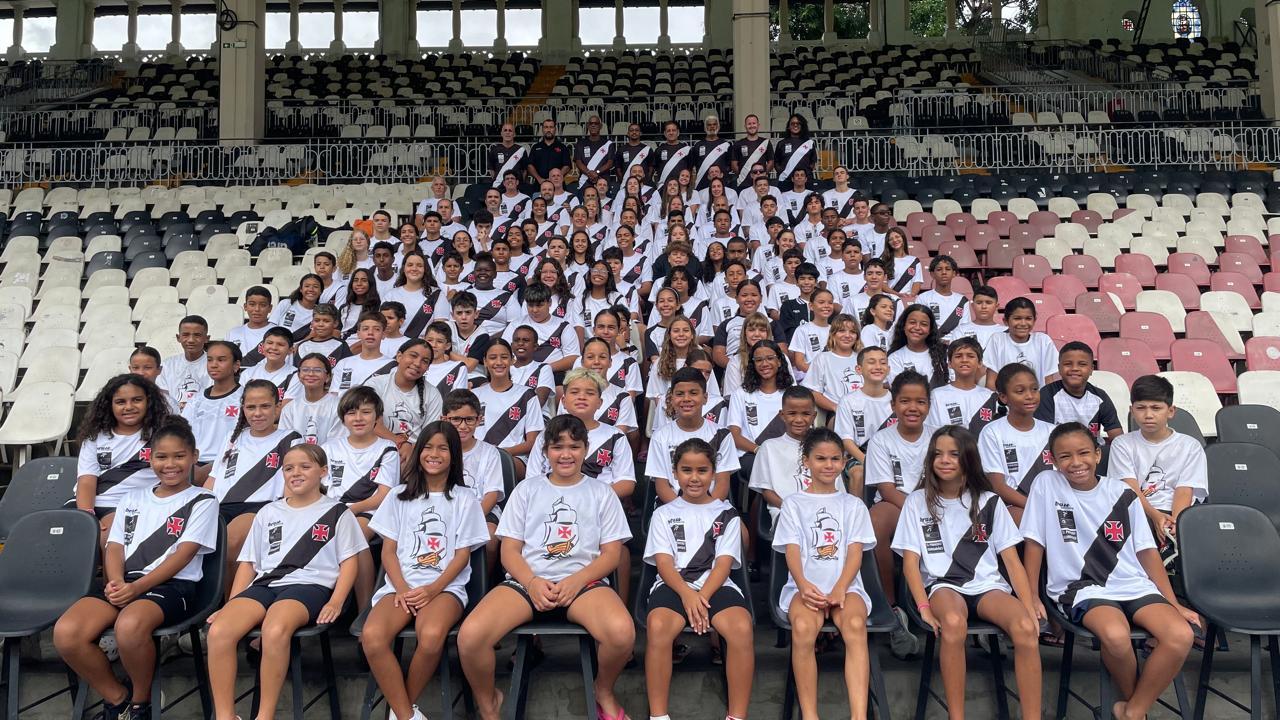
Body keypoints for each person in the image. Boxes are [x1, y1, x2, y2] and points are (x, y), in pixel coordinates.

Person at [457, 415, 634, 720]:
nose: (566, 454)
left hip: (584, 584)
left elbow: (611, 555)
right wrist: (532, 582)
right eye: (557, 447)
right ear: (545, 451)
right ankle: (489, 705)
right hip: (527, 582)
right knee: (471, 637)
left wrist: (577, 581)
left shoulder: (601, 492)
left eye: (574, 447)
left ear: (585, 449)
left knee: (622, 634)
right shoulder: (527, 490)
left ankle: (603, 689)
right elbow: (509, 550)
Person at [1022, 423, 1199, 720]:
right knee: (1116, 636)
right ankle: (1135, 711)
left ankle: (1131, 711)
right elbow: (1034, 543)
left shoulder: (1122, 493)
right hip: (1080, 587)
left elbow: (1146, 552)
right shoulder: (1046, 484)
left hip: (1132, 583)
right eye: (1065, 456)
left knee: (1180, 635)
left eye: (1083, 453)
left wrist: (1173, 603)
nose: (1076, 462)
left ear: (1098, 454)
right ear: (1052, 459)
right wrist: (1031, 597)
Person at [55, 417, 218, 720]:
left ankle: (142, 703)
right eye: (162, 457)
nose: (170, 464)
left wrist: (137, 588)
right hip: (126, 583)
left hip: (172, 586)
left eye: (179, 456)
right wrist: (117, 581)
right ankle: (120, 701)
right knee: (67, 633)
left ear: (194, 457)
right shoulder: (132, 498)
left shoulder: (203, 500)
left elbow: (184, 555)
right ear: (150, 458)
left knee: (129, 626)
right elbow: (114, 546)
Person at [893, 426, 1042, 720]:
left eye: (954, 454)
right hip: (943, 587)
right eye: (938, 454)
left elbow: (1012, 562)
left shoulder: (989, 501)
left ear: (968, 458)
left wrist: (1028, 606)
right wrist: (923, 607)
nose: (944, 460)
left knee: (1026, 628)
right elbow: (910, 563)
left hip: (988, 587)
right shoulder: (916, 501)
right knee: (952, 622)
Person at [207, 444, 366, 720]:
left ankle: (264, 716)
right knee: (219, 631)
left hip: (310, 586)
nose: (296, 473)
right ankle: (225, 716)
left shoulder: (338, 512)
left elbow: (350, 562)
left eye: (305, 466)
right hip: (266, 585)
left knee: (275, 629)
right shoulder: (268, 512)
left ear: (323, 471)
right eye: (289, 468)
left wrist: (336, 601)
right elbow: (249, 564)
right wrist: (231, 604)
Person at [361, 421, 490, 720]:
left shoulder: (465, 498)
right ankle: (407, 716)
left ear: (454, 456)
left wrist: (433, 589)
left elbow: (462, 556)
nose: (434, 454)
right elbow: (388, 551)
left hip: (444, 588)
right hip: (400, 586)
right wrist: (402, 588)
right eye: (428, 447)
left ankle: (400, 712)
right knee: (373, 636)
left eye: (443, 448)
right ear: (418, 452)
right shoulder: (398, 495)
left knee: (431, 636)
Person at [643, 438, 753, 720]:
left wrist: (701, 597)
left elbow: (724, 564)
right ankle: (658, 715)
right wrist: (688, 595)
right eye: (686, 470)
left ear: (713, 473)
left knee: (741, 628)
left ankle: (737, 715)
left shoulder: (727, 513)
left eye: (702, 470)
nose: (694, 478)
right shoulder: (662, 514)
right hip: (673, 585)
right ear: (674, 473)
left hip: (716, 586)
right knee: (658, 626)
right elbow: (664, 564)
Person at [774, 427, 876, 720]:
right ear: (806, 461)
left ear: (843, 462)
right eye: (820, 458)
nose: (828, 465)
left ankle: (859, 716)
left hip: (847, 587)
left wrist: (841, 587)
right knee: (804, 629)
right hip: (805, 588)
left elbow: (855, 552)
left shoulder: (853, 505)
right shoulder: (793, 503)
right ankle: (810, 715)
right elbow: (792, 551)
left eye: (834, 459)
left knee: (855, 625)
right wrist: (804, 585)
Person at [205, 379, 301, 592]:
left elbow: (293, 484)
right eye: (251, 407)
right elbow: (213, 478)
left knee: (229, 542)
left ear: (278, 407)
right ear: (243, 408)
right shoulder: (233, 437)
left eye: (265, 406)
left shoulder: (290, 438)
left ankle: (227, 603)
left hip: (260, 507)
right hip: (220, 506)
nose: (257, 413)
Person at [866, 370, 933, 658]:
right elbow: (887, 488)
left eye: (920, 401)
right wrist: (915, 512)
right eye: (905, 401)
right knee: (875, 522)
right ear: (893, 404)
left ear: (929, 405)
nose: (912, 408)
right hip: (895, 504)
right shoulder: (882, 440)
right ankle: (893, 610)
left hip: (935, 503)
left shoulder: (939, 438)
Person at [1107, 374, 1208, 554]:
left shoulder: (1190, 446)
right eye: (1141, 408)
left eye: (1156, 408)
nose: (1148, 415)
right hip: (1138, 509)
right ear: (1132, 410)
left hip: (1176, 511)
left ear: (1171, 411)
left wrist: (1176, 522)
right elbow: (1130, 489)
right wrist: (1155, 516)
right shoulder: (1122, 444)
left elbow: (1184, 490)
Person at [323, 386, 401, 609]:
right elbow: (320, 488)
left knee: (354, 537)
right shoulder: (329, 448)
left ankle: (364, 608)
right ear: (343, 418)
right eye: (351, 413)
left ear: (377, 417)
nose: (358, 418)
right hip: (331, 510)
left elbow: (383, 495)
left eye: (366, 412)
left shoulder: (387, 449)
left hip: (368, 513)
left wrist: (350, 509)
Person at [74, 374, 172, 543]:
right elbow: (86, 481)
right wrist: (88, 516)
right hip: (89, 504)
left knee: (107, 538)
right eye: (120, 402)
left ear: (148, 401)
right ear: (109, 405)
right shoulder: (94, 437)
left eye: (137, 400)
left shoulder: (163, 435)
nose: (129, 407)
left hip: (129, 505)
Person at [647, 367, 740, 505]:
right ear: (671, 398)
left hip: (712, 506)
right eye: (680, 394)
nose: (686, 399)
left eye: (693, 393)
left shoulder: (722, 435)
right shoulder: (660, 436)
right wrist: (684, 510)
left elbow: (722, 484)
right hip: (672, 507)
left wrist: (705, 510)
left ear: (705, 398)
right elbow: (662, 486)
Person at [979, 363, 1056, 524]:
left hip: (1051, 503)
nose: (1030, 396)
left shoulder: (1052, 431)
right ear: (1003, 397)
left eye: (1034, 389)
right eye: (1020, 391)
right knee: (1024, 519)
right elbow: (998, 485)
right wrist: (1035, 507)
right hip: (1011, 505)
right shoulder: (992, 432)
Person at [749, 386, 838, 524]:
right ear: (782, 415)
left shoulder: (825, 449)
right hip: (786, 514)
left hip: (825, 514)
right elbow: (766, 491)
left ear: (814, 416)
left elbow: (836, 489)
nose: (799, 419)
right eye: (792, 413)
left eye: (805, 414)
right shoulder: (769, 447)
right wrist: (791, 508)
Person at [365, 338, 444, 464]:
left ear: (428, 368)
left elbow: (430, 436)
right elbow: (372, 424)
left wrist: (410, 449)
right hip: (376, 450)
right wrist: (400, 442)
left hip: (414, 454)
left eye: (425, 361)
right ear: (399, 356)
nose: (417, 363)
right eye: (413, 356)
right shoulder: (375, 384)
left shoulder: (432, 394)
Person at [472, 339, 544, 479]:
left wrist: (500, 453)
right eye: (493, 357)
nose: (499, 362)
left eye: (504, 357)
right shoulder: (474, 395)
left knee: (499, 464)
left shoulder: (527, 395)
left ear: (512, 360)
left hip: (513, 458)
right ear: (485, 361)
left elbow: (532, 442)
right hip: (477, 456)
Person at [728, 339, 795, 479]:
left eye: (770, 358)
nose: (764, 364)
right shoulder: (740, 394)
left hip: (787, 452)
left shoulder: (792, 393)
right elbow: (734, 435)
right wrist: (759, 450)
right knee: (767, 470)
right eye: (758, 360)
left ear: (779, 361)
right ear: (753, 364)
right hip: (751, 454)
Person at [1035, 341, 1124, 444]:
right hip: (1060, 450)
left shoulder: (1100, 397)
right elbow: (1043, 437)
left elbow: (1117, 437)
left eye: (1082, 364)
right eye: (1068, 364)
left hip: (1093, 451)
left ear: (1091, 369)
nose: (1075, 368)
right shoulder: (1047, 394)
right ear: (1059, 368)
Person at [834, 346, 893, 497]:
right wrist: (868, 461)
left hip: (892, 456)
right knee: (858, 473)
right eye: (871, 362)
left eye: (883, 362)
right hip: (859, 456)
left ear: (888, 369)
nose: (878, 367)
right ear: (858, 369)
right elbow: (846, 440)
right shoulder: (848, 401)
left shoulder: (896, 400)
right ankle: (857, 511)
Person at [181, 342, 243, 473]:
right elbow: (182, 433)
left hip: (229, 462)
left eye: (221, 360)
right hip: (194, 463)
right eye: (210, 360)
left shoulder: (245, 398)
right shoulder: (196, 400)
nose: (214, 365)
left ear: (236, 365)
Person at [927, 337, 1002, 434]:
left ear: (980, 363)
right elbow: (932, 432)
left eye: (970, 356)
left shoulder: (990, 397)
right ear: (949, 363)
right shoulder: (936, 395)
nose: (964, 360)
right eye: (958, 356)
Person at [983, 297, 1060, 388]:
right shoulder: (997, 340)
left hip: (1038, 396)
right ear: (1005, 321)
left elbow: (1048, 380)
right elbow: (991, 381)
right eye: (1017, 318)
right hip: (1004, 397)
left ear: (1034, 320)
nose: (1023, 323)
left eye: (1028, 318)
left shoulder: (1043, 341)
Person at [801, 311, 863, 413]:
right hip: (835, 412)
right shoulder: (822, 358)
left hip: (864, 410)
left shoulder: (862, 359)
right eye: (842, 331)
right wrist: (836, 408)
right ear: (833, 334)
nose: (847, 335)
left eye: (852, 332)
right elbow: (813, 392)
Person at [279, 353, 343, 446]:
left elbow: (337, 442)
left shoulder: (339, 406)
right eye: (305, 370)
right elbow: (285, 441)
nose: (311, 374)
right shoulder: (290, 408)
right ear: (299, 375)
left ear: (327, 377)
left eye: (317, 370)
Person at [888, 304, 950, 388]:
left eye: (924, 324)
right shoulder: (895, 358)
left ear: (930, 329)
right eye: (912, 322)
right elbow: (899, 390)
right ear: (904, 326)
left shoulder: (944, 353)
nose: (917, 327)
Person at [331, 312, 392, 395]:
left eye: (376, 329)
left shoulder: (392, 367)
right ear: (358, 334)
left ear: (383, 334)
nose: (370, 332)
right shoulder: (344, 363)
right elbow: (334, 395)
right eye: (365, 329)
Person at [158, 315, 211, 409]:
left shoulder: (214, 364)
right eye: (186, 335)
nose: (191, 340)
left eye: (197, 335)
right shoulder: (167, 365)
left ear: (207, 338)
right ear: (178, 337)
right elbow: (163, 397)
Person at [917, 255, 971, 340]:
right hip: (931, 343)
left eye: (948, 269)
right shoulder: (923, 298)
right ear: (932, 274)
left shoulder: (962, 301)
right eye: (939, 269)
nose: (944, 272)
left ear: (954, 273)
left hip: (956, 345)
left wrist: (953, 343)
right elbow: (919, 325)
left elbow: (965, 328)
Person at [227, 287, 274, 368]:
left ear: (270, 308)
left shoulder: (278, 333)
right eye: (252, 304)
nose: (257, 309)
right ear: (245, 306)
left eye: (263, 305)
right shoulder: (233, 333)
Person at [239, 326, 295, 394]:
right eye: (270, 343)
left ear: (290, 350)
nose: (274, 348)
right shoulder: (248, 374)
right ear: (262, 347)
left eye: (280, 344)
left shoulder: (296, 375)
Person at [271, 274, 323, 344]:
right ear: (301, 289)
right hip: (278, 345)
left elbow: (313, 336)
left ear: (321, 291)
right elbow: (272, 325)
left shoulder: (320, 313)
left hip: (301, 348)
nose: (311, 289)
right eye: (307, 286)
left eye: (315, 287)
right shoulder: (287, 303)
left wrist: (297, 346)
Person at [129, 346, 181, 414]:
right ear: (130, 369)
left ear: (159, 370)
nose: (141, 373)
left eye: (147, 367)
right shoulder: (121, 397)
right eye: (136, 368)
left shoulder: (168, 403)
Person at [951, 284, 1004, 348]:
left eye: (988, 303)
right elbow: (953, 353)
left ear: (996, 306)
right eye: (979, 303)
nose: (984, 306)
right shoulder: (961, 330)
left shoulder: (1004, 332)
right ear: (973, 306)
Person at [729, 113, 772, 190]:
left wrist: (762, 174)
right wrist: (743, 174)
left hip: (761, 183)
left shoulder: (766, 142)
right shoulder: (738, 144)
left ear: (758, 125)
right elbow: (734, 165)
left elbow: (771, 162)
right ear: (745, 126)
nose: (752, 126)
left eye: (754, 123)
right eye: (749, 124)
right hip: (743, 183)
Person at [880, 227, 923, 299]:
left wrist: (911, 296)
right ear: (888, 243)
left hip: (908, 298)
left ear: (903, 238)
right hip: (889, 299)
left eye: (897, 237)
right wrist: (898, 295)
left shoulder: (914, 261)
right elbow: (882, 285)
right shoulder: (883, 260)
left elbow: (917, 282)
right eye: (891, 239)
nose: (895, 240)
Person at [339, 268, 382, 338]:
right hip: (342, 342)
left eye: (364, 280)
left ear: (370, 283)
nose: (359, 284)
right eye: (355, 280)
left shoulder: (377, 307)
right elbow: (337, 330)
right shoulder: (344, 307)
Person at [774, 114, 816, 187]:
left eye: (798, 123)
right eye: (793, 123)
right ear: (788, 126)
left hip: (805, 182)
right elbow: (776, 162)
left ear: (802, 126)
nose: (795, 125)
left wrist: (804, 174)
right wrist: (783, 172)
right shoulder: (781, 143)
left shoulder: (809, 143)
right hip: (785, 181)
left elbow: (812, 162)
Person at [526, 118, 570, 186]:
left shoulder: (563, 147)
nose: (548, 130)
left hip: (558, 185)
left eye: (551, 127)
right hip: (539, 185)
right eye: (546, 127)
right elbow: (529, 165)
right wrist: (539, 179)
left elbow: (567, 166)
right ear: (542, 129)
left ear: (555, 129)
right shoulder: (535, 147)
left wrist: (555, 178)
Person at [574, 115, 613, 185]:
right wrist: (589, 173)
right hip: (584, 182)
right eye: (591, 123)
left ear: (600, 126)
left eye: (596, 123)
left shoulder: (608, 144)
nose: (593, 125)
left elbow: (610, 163)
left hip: (603, 182)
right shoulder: (580, 144)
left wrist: (597, 172)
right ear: (588, 126)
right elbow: (578, 162)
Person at [488, 122, 526, 187]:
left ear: (514, 134)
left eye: (510, 130)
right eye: (505, 130)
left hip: (517, 187)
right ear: (501, 133)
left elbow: (524, 170)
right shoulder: (494, 150)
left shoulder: (521, 150)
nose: (507, 132)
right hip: (499, 186)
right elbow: (491, 169)